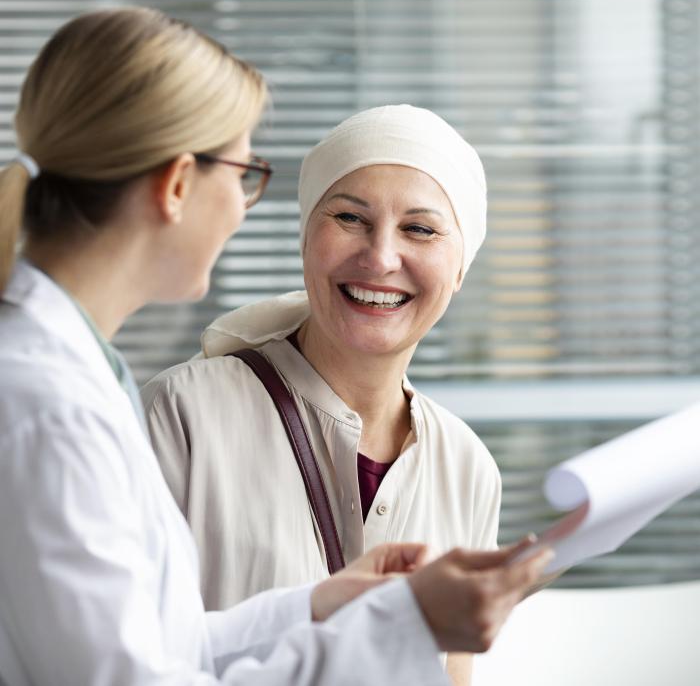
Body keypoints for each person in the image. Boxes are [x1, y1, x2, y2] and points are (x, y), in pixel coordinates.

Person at [0, 6, 552, 686]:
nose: (242, 205)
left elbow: (161, 642)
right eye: (242, 173)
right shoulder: (56, 404)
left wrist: (323, 604)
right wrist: (394, 627)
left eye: (422, 230)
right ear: (177, 184)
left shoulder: (71, 378)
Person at [142, 104, 500, 684]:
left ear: (460, 266)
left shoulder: (467, 468)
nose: (381, 256)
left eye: (421, 228)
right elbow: (122, 653)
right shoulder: (183, 415)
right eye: (350, 218)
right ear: (306, 233)